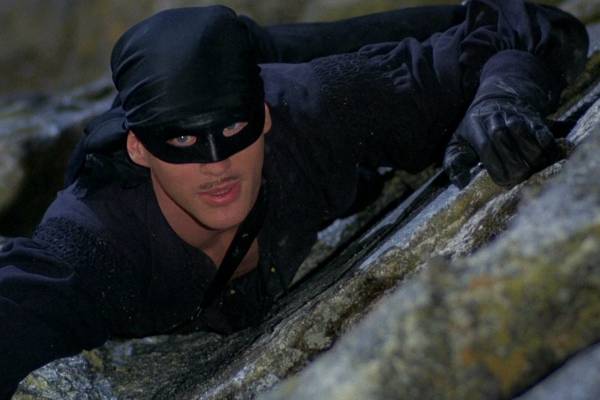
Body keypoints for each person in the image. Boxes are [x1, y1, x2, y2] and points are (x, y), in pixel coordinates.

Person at [0, 0, 588, 398]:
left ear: (262, 118)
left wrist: (503, 97)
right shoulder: (97, 241)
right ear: (139, 150)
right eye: (182, 143)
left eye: (233, 130)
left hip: (282, 70)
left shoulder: (311, 110)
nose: (216, 165)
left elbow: (529, 27)